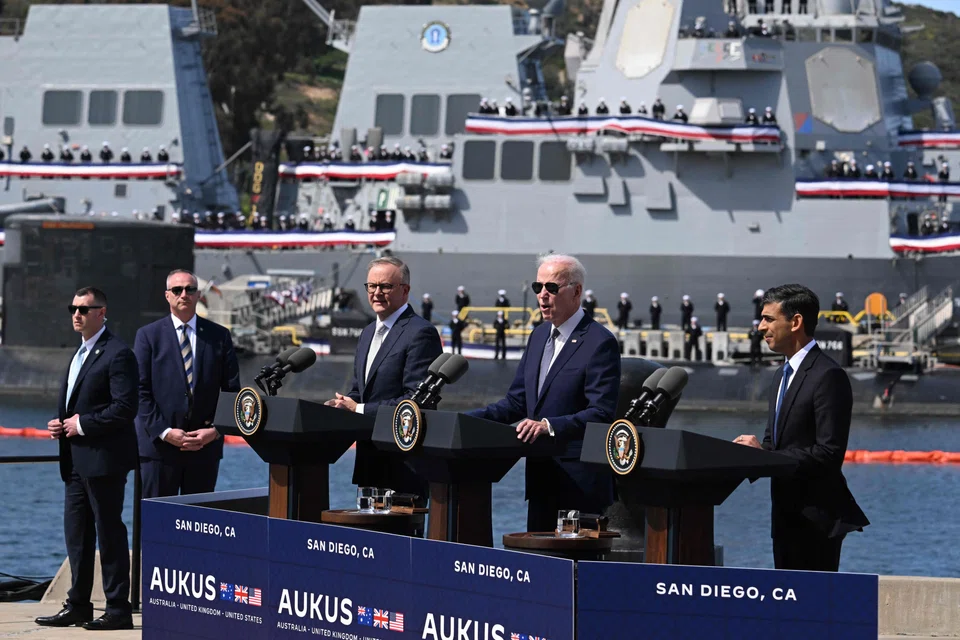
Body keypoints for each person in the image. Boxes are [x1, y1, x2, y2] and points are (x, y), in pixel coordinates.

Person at [466, 254, 620, 530]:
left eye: (552, 288)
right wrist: (467, 420)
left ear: (576, 292)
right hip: (540, 479)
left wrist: (548, 426)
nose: (543, 295)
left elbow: (601, 412)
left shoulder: (600, 342)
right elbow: (517, 402)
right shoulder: (538, 336)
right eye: (538, 288)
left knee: (571, 570)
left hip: (579, 485)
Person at [735, 284, 869, 571]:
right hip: (785, 520)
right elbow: (774, 445)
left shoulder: (828, 375)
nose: (761, 327)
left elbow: (829, 453)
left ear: (795, 322)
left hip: (816, 523)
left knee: (812, 611)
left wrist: (766, 456)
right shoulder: (781, 376)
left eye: (769, 319)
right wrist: (746, 456)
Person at [37, 287, 137, 631]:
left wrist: (82, 424)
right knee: (76, 535)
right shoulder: (78, 353)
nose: (76, 314)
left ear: (101, 312)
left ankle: (117, 609)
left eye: (83, 309)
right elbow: (76, 405)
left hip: (105, 460)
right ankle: (78, 604)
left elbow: (125, 408)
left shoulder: (118, 353)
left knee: (109, 533)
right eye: (73, 308)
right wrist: (61, 425)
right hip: (75, 462)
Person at [326, 257, 442, 497]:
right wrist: (342, 405)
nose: (377, 292)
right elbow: (360, 390)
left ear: (405, 290)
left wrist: (358, 409)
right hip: (370, 464)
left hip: (404, 465)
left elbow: (415, 402)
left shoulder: (421, 333)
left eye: (386, 286)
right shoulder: (368, 332)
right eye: (372, 286)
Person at [134, 270, 240, 497]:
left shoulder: (219, 336)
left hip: (204, 449)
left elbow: (232, 391)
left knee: (199, 524)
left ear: (198, 294)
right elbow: (140, 391)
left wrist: (215, 431)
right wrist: (165, 431)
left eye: (190, 289)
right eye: (177, 290)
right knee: (158, 525)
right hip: (159, 450)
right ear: (167, 296)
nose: (184, 294)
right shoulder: (148, 336)